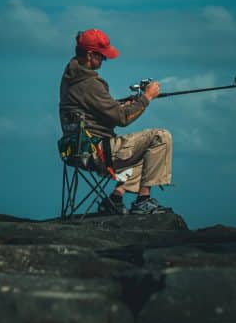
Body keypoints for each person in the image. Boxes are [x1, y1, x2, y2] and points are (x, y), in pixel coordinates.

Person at [59, 28, 173, 215]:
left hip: (79, 149)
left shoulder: (71, 77)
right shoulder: (89, 83)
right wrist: (146, 97)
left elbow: (95, 111)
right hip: (99, 152)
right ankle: (143, 201)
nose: (104, 60)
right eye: (101, 56)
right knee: (160, 137)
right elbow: (121, 119)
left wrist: (122, 105)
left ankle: (116, 197)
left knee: (145, 150)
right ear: (89, 55)